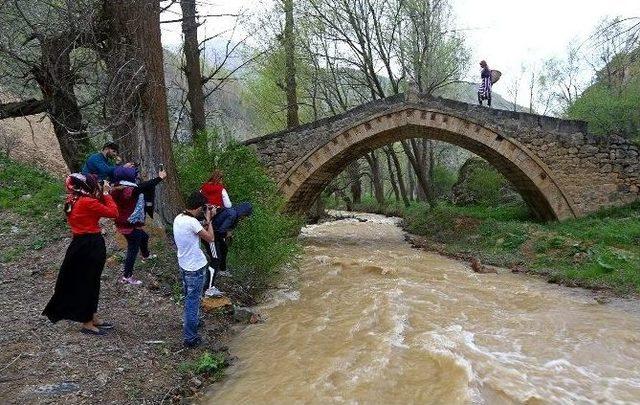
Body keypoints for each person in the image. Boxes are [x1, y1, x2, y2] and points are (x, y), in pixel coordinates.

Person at [42, 173, 119, 335]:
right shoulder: (87, 202)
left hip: (78, 243)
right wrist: (106, 193)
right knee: (89, 281)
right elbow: (113, 213)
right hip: (91, 244)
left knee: (90, 280)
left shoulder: (72, 199)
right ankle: (87, 323)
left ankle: (92, 316)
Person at [110, 165, 167, 285]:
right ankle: (127, 276)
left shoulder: (115, 189)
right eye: (134, 175)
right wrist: (160, 178)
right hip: (130, 225)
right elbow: (145, 186)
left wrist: (123, 168)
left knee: (144, 237)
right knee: (132, 250)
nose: (136, 176)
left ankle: (146, 255)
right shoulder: (130, 191)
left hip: (122, 222)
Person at [173, 191, 216, 348]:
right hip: (195, 268)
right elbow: (210, 238)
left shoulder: (179, 218)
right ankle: (190, 338)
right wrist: (209, 219)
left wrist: (203, 221)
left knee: (189, 297)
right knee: (193, 302)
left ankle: (194, 323)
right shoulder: (192, 222)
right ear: (199, 207)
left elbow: (194, 230)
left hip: (184, 264)